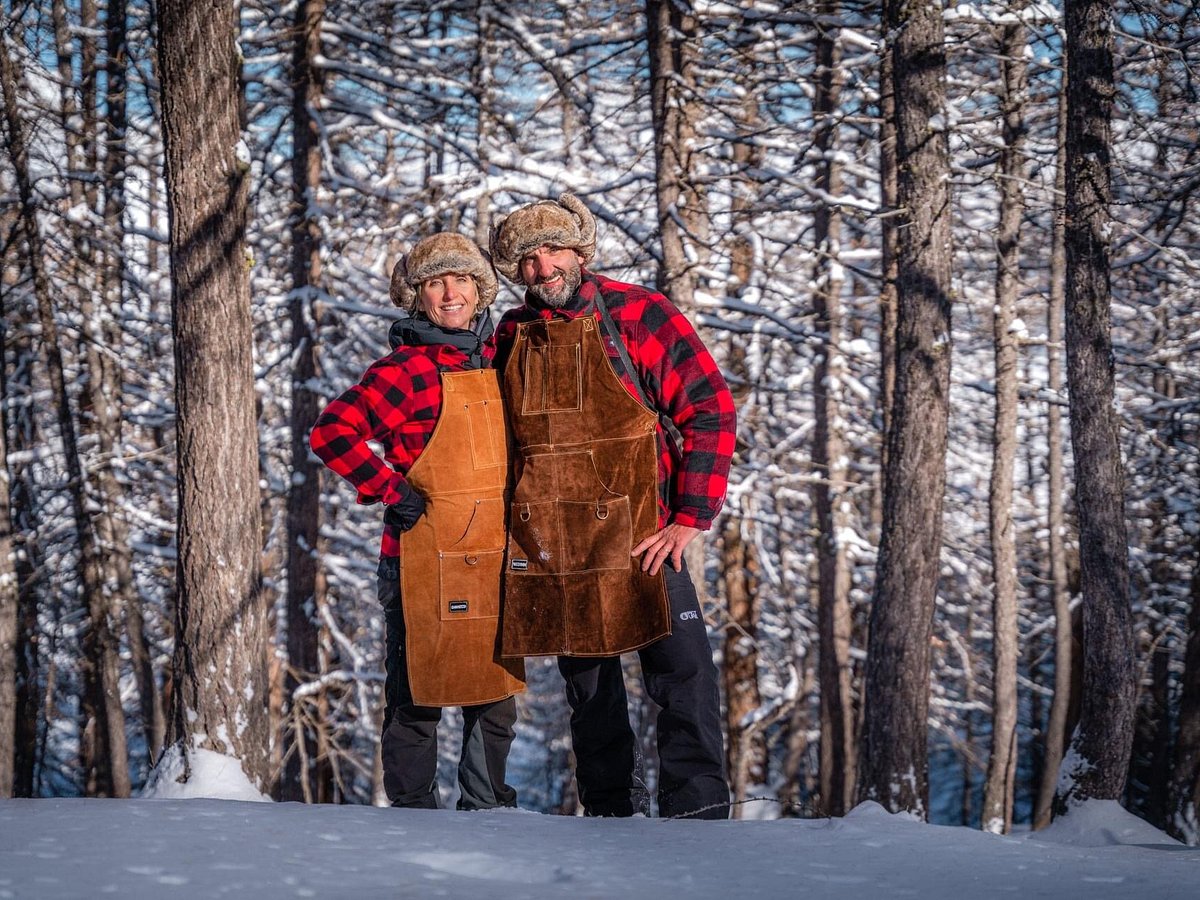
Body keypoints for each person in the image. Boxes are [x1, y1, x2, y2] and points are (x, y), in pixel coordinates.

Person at [489, 193, 736, 819]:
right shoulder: (512, 335)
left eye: (552, 250)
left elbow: (709, 409)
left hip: (647, 532)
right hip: (559, 541)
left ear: (579, 250)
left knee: (683, 676)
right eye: (526, 259)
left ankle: (698, 812)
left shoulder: (639, 313)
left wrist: (688, 518)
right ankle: (608, 816)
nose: (542, 268)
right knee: (590, 692)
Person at [310, 232, 525, 810]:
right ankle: (413, 815)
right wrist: (389, 489)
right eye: (435, 283)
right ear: (418, 297)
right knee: (416, 694)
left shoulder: (504, 363)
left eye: (461, 280)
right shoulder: (403, 371)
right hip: (418, 558)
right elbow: (331, 433)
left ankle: (486, 811)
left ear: (481, 291)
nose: (449, 293)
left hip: (493, 557)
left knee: (495, 695)